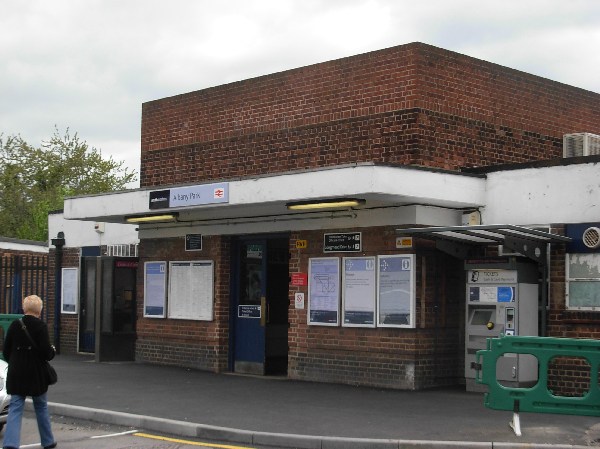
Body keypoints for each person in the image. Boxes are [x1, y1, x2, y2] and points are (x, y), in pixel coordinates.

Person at [2, 295, 57, 449]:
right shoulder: (41, 327)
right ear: (39, 310)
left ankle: (11, 443)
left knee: (15, 407)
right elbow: (46, 352)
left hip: (16, 372)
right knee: (41, 406)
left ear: (24, 308)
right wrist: (52, 351)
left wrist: (14, 361)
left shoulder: (14, 325)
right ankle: (48, 441)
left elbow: (6, 350)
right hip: (36, 374)